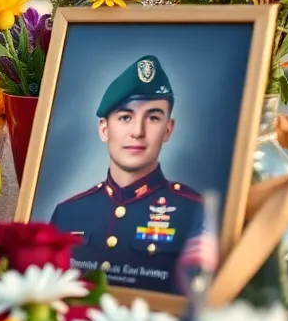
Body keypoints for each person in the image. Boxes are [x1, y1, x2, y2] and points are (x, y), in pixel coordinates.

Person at [50, 55, 202, 294]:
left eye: (153, 117)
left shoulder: (195, 212)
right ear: (104, 129)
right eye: (125, 117)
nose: (137, 132)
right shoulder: (67, 213)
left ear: (167, 130)